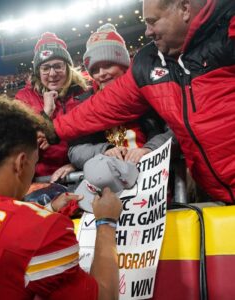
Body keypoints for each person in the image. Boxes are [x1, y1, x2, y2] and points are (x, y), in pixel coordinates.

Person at [43, 0, 235, 203]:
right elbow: (100, 108)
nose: (148, 32)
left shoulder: (228, 31)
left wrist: (151, 149)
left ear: (185, 9)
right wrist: (50, 129)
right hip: (219, 194)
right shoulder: (149, 62)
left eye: (152, 21)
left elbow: (175, 132)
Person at [0, 99, 122, 299]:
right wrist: (106, 223)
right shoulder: (45, 232)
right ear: (21, 162)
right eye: (35, 161)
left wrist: (48, 208)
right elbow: (104, 297)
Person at [68, 23, 165, 170]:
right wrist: (104, 150)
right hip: (111, 185)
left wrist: (150, 149)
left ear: (124, 65)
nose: (101, 73)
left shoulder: (150, 89)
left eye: (107, 65)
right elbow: (75, 150)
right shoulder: (85, 102)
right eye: (94, 69)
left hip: (156, 177)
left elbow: (176, 129)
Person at [15, 32, 88, 182]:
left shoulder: (83, 92)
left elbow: (95, 134)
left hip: (83, 171)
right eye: (46, 68)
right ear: (38, 71)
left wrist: (75, 163)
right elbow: (19, 145)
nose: (52, 73)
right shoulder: (23, 98)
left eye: (57, 66)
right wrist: (46, 113)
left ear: (67, 67)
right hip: (41, 180)